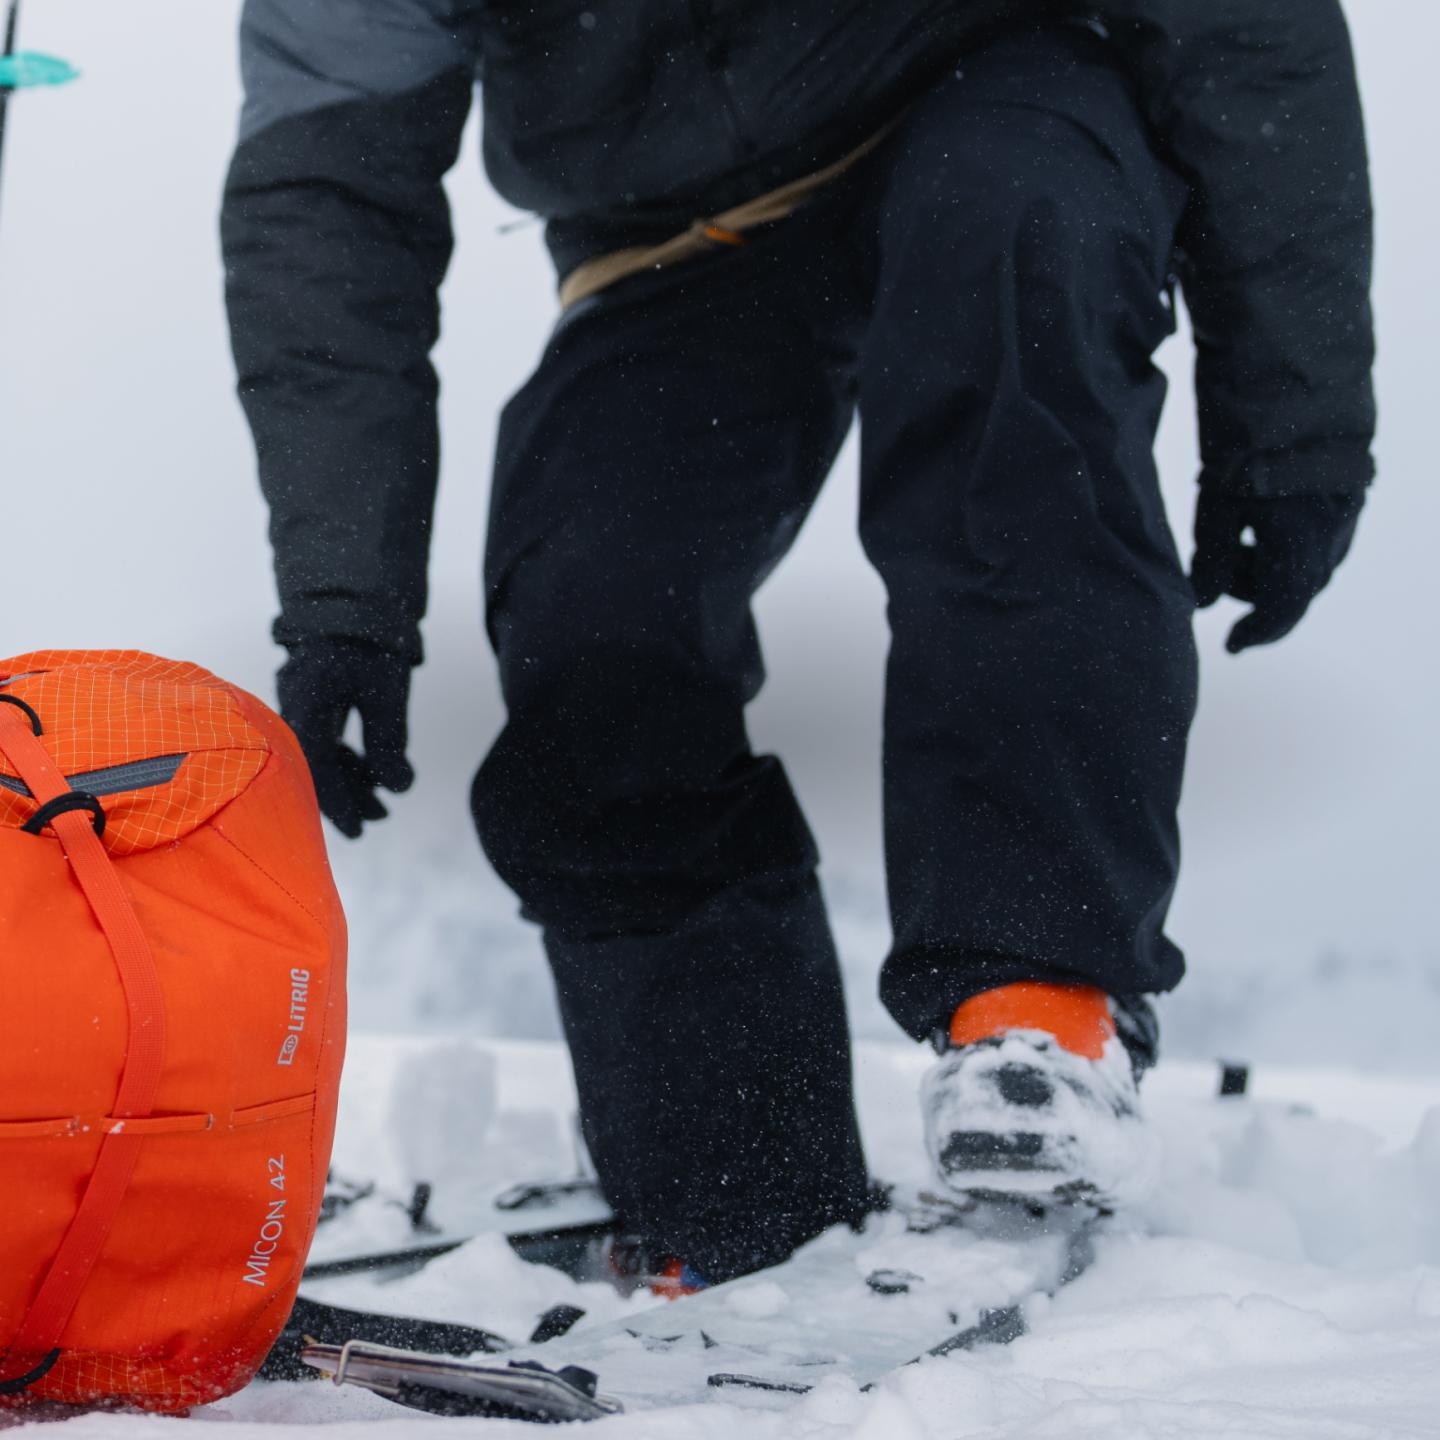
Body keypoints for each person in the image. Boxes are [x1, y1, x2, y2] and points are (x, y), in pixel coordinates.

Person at [222, 0, 1374, 1285]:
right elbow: (329, 194)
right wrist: (345, 599)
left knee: (1013, 315)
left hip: (982, 94)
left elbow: (1240, 28)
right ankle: (743, 1184)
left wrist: (1295, 421)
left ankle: (1037, 1008)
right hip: (677, 228)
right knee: (592, 614)